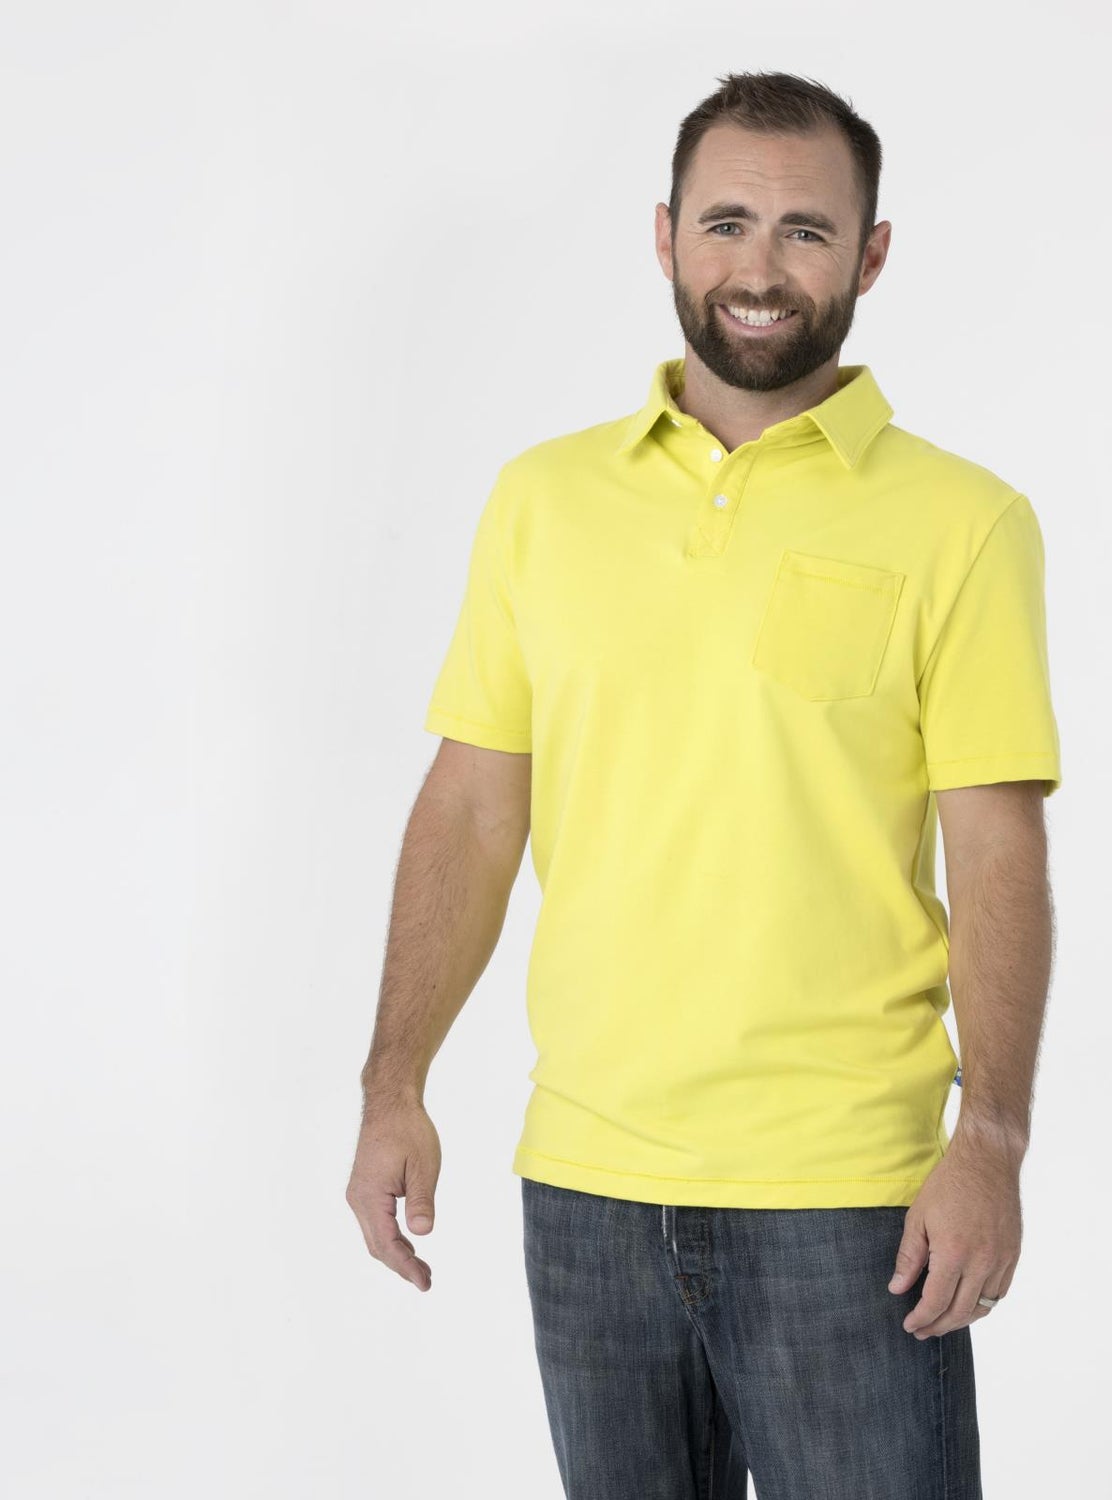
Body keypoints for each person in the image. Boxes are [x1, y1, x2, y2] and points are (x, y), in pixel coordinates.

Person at [346, 69, 1061, 1499]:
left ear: (870, 256)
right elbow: (473, 809)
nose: (760, 266)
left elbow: (998, 858)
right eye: (727, 222)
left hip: (848, 1202)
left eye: (808, 230)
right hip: (586, 1192)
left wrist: (990, 1141)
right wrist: (393, 1082)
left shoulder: (964, 522)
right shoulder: (543, 501)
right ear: (666, 235)